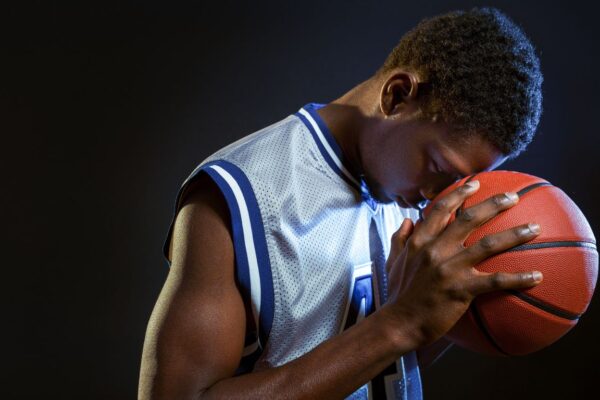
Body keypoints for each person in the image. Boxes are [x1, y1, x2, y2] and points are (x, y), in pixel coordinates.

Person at [138, 7, 544, 400]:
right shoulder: (239, 193)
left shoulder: (425, 207)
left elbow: (387, 372)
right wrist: (399, 322)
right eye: (438, 166)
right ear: (398, 96)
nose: (436, 194)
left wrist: (449, 316)